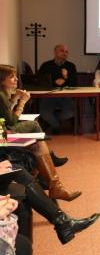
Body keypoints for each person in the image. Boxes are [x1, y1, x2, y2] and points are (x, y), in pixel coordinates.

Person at [0, 65, 81, 201]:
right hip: (2, 136)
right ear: (2, 79)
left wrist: (15, 99)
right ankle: (52, 178)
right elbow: (12, 121)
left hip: (3, 131)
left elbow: (6, 114)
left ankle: (52, 181)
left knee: (35, 136)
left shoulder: (3, 93)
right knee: (34, 125)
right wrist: (22, 102)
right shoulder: (1, 95)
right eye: (11, 77)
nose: (15, 79)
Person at [38, 44, 77, 133]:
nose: (64, 53)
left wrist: (66, 77)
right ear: (55, 52)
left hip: (65, 97)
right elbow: (40, 82)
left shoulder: (71, 66)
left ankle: (52, 122)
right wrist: (54, 82)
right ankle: (56, 126)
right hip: (49, 96)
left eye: (66, 52)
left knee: (70, 113)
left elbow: (75, 84)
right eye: (62, 51)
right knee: (45, 114)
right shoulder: (46, 65)